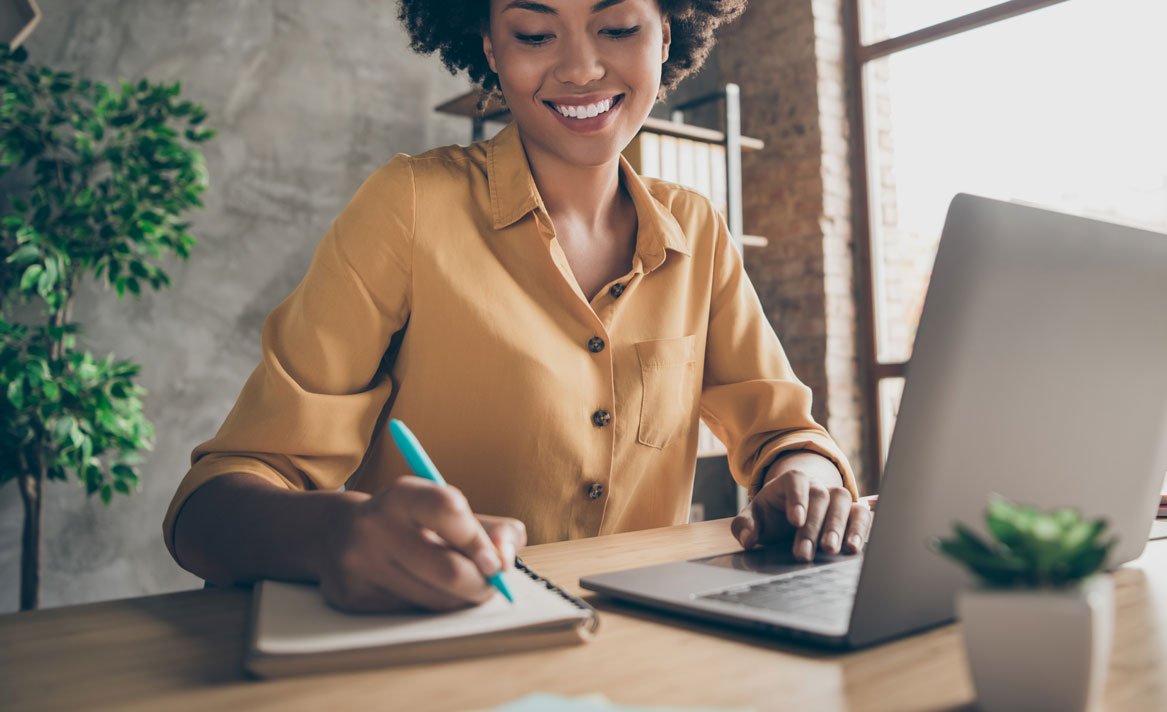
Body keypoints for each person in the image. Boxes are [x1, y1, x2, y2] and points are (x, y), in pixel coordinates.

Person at [162, 0, 870, 613]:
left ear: (669, 34)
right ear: (490, 48)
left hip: (643, 662)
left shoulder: (700, 232)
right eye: (535, 34)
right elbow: (209, 511)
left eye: (618, 26)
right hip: (433, 661)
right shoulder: (409, 207)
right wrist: (334, 535)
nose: (581, 68)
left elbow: (785, 434)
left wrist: (802, 480)